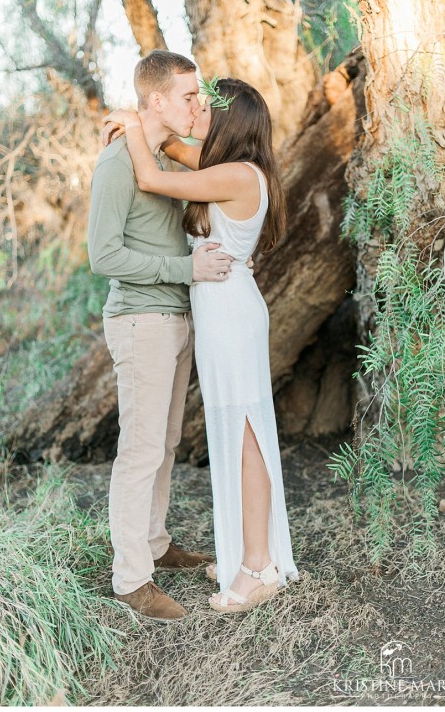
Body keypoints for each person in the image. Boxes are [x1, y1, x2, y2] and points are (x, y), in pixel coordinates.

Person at [102, 78, 299, 614]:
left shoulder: (235, 175)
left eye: (208, 109)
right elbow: (167, 147)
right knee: (235, 432)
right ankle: (245, 551)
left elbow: (148, 172)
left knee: (245, 437)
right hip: (222, 311)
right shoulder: (229, 170)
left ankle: (258, 567)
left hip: (230, 316)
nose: (198, 113)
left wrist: (136, 127)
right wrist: (139, 117)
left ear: (231, 123)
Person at [88, 50, 235, 623]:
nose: (198, 104)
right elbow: (103, 256)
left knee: (166, 442)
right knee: (141, 450)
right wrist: (186, 271)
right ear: (156, 100)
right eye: (189, 96)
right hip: (140, 321)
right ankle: (131, 581)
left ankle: (153, 543)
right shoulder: (117, 164)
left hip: (174, 318)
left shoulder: (154, 156)